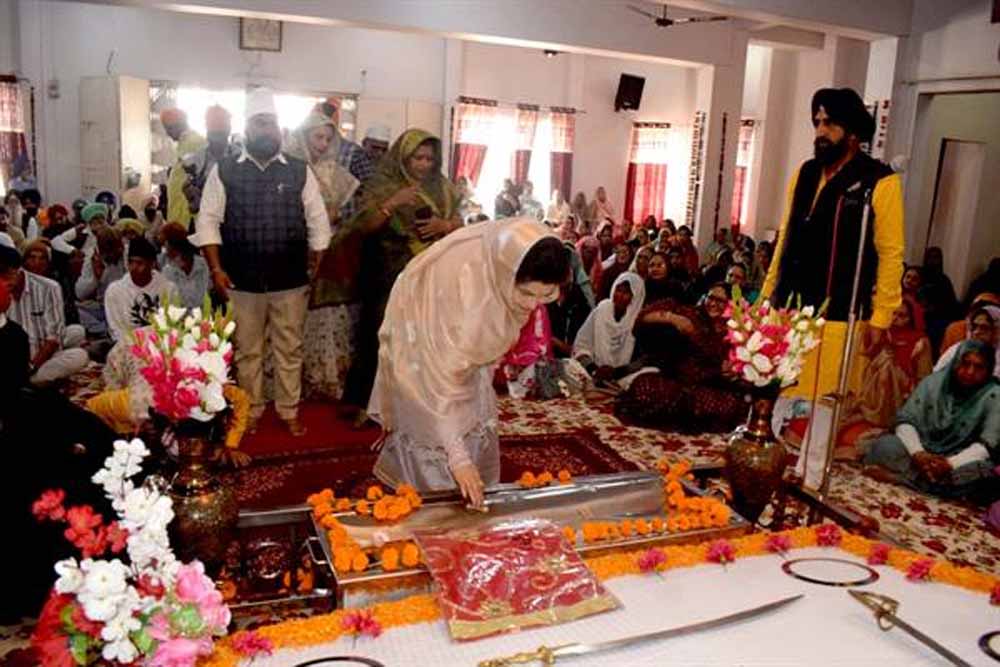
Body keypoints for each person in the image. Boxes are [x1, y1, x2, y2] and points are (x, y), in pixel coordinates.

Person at [369, 220, 569, 507]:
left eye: (544, 296)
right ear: (507, 274)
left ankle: (465, 476)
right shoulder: (464, 302)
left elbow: (480, 353)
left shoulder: (508, 258)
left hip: (460, 340)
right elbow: (440, 384)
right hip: (426, 339)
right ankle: (433, 495)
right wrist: (458, 457)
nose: (532, 305)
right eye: (526, 294)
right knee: (430, 426)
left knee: (474, 401)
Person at [195, 88, 331, 436]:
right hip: (241, 281)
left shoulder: (299, 171)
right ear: (247, 128)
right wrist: (216, 269)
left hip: (291, 280)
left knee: (290, 349)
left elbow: (317, 220)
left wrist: (317, 264)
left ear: (279, 127)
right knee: (248, 351)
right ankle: (251, 411)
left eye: (270, 123)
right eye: (259, 123)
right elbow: (207, 221)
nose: (266, 130)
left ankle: (288, 410)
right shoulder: (225, 170)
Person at [760, 87, 904, 399]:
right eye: (817, 122)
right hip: (787, 309)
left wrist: (881, 318)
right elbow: (786, 238)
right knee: (778, 397)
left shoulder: (879, 181)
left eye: (830, 123)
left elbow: (891, 255)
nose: (820, 131)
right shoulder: (805, 173)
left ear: (852, 132)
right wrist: (766, 295)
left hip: (839, 316)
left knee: (822, 405)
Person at [341, 128, 461, 422]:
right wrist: (392, 203)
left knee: (420, 339)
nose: (423, 164)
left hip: (429, 274)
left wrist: (444, 225)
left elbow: (460, 221)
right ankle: (366, 405)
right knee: (380, 337)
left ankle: (412, 404)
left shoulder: (442, 187)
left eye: (429, 159)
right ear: (403, 158)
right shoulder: (383, 184)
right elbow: (363, 226)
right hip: (386, 274)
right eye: (417, 158)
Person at [285, 110, 362, 401]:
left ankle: (323, 377)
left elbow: (346, 212)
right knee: (292, 316)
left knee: (326, 314)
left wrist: (333, 217)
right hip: (295, 249)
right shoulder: (290, 169)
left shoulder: (333, 172)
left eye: (328, 139)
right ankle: (291, 381)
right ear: (304, 136)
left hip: (327, 252)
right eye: (318, 137)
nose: (323, 144)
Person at [864, 339, 1000, 501]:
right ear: (955, 363)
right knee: (885, 445)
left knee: (984, 472)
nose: (970, 372)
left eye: (979, 367)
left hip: (957, 462)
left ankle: (905, 480)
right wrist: (918, 453)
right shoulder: (934, 383)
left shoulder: (994, 395)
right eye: (965, 364)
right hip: (921, 453)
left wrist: (948, 464)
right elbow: (906, 420)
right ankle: (933, 487)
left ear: (988, 370)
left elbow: (986, 446)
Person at [616, 283, 747, 432]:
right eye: (711, 298)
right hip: (675, 383)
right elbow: (643, 318)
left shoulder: (736, 331)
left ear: (731, 305)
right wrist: (673, 318)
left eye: (720, 301)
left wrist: (733, 369)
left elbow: (741, 366)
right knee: (644, 388)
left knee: (729, 405)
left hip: (708, 389)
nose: (713, 304)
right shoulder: (691, 314)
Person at [0, 245, 88, 384]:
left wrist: (31, 367)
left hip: (42, 358)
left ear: (18, 271)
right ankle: (30, 382)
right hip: (12, 359)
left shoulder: (49, 287)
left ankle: (30, 380)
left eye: (6, 277)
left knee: (79, 353)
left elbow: (53, 339)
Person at [843, 297, 933, 432]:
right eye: (893, 313)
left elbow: (924, 377)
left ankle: (883, 416)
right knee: (885, 361)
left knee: (887, 365)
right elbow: (866, 354)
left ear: (911, 319)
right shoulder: (883, 334)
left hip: (904, 391)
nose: (896, 318)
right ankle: (873, 410)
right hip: (873, 389)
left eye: (902, 316)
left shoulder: (921, 342)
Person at [573, 272, 646, 388]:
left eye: (626, 293)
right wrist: (594, 369)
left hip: (624, 375)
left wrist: (616, 372)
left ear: (635, 297)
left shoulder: (639, 320)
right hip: (594, 371)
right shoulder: (602, 310)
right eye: (618, 290)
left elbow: (641, 360)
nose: (620, 295)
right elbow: (581, 346)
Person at [103, 237, 177, 342]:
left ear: (152, 264)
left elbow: (172, 324)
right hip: (128, 345)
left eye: (139, 263)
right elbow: (116, 330)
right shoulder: (114, 291)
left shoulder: (169, 289)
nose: (133, 267)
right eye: (130, 262)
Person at [182, 105, 237, 217]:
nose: (217, 139)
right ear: (207, 132)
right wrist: (191, 195)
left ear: (228, 132)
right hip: (207, 219)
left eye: (220, 133)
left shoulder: (239, 157)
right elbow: (193, 207)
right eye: (214, 133)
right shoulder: (197, 159)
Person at [75, 226, 126, 336]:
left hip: (125, 304)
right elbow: (80, 293)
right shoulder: (93, 259)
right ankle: (104, 330)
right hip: (102, 306)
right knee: (77, 309)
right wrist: (96, 278)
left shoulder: (127, 255)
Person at [161, 107, 207, 230]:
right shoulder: (185, 143)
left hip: (188, 216)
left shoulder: (194, 142)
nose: (167, 133)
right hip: (181, 215)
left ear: (179, 124)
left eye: (168, 128)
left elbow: (198, 178)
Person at [935, 306, 1000, 379]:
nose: (976, 332)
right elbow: (936, 376)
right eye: (974, 327)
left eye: (984, 328)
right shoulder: (957, 349)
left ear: (996, 330)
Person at [160, 222, 209, 309]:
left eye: (164, 245)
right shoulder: (167, 270)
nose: (165, 249)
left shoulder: (202, 265)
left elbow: (206, 295)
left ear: (168, 244)